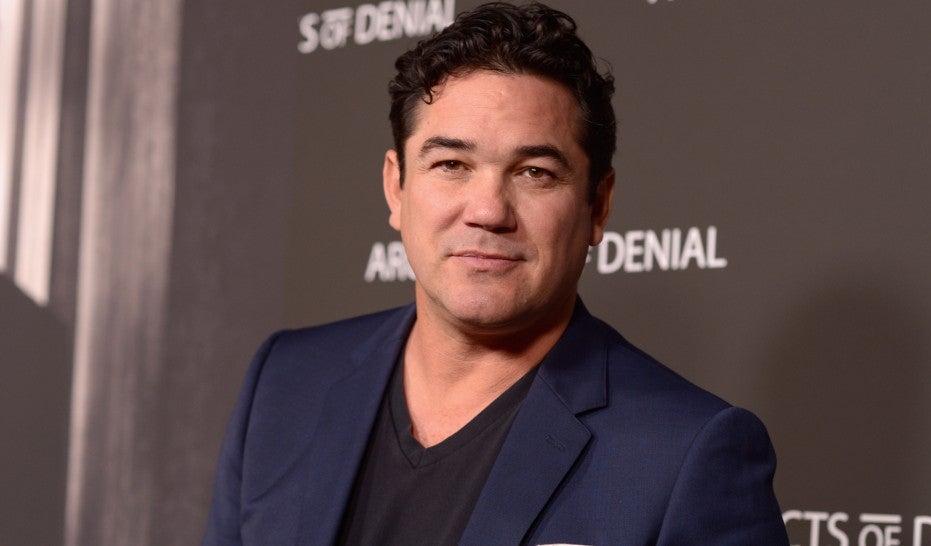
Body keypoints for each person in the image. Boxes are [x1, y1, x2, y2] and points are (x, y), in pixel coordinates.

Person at [202, 2, 789, 544]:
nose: (487, 211)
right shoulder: (284, 383)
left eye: (535, 173)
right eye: (451, 164)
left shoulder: (686, 456)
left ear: (598, 206)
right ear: (396, 187)